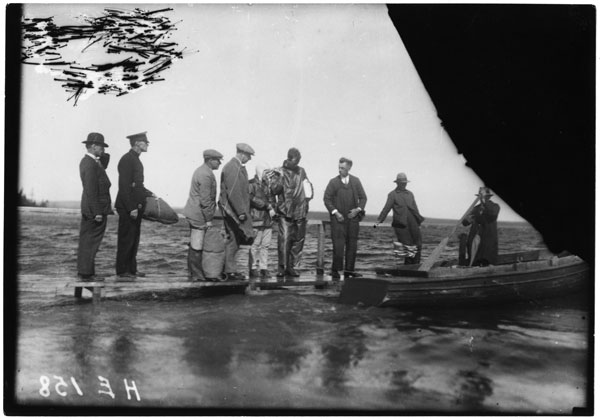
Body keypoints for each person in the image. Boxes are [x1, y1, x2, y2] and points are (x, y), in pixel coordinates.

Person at [115, 131, 155, 279]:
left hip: (135, 206)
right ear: (138, 144)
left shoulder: (135, 159)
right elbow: (124, 186)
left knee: (134, 237)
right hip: (128, 206)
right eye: (146, 142)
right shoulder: (127, 160)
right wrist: (131, 207)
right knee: (126, 238)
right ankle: (122, 271)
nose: (148, 144)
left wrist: (150, 194)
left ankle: (131, 269)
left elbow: (137, 186)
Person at [182, 149, 224, 281]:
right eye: (217, 160)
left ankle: (194, 273)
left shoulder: (202, 171)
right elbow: (205, 200)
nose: (219, 163)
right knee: (197, 245)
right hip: (198, 215)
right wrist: (208, 220)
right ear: (210, 160)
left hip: (195, 213)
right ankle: (197, 275)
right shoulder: (205, 175)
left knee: (196, 243)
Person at [323, 157, 367, 279]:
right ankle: (335, 271)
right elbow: (327, 199)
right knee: (338, 245)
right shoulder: (333, 182)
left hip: (352, 219)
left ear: (349, 168)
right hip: (338, 220)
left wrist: (357, 210)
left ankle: (349, 271)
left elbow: (363, 198)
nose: (340, 170)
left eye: (342, 168)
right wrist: (336, 212)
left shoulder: (356, 181)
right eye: (339, 167)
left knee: (352, 245)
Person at [77, 132, 113, 281]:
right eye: (101, 146)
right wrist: (97, 212)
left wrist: (101, 156)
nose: (103, 150)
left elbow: (105, 160)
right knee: (90, 242)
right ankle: (86, 273)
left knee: (88, 241)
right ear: (92, 146)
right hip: (95, 210)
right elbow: (91, 190)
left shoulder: (91, 162)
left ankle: (86, 272)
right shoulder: (90, 164)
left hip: (92, 208)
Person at [273, 147, 313, 278]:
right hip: (285, 211)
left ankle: (293, 267)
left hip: (300, 210)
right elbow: (274, 190)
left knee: (298, 240)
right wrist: (278, 179)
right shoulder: (280, 171)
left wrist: (308, 196)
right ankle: (282, 267)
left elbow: (307, 187)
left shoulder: (302, 171)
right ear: (290, 158)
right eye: (297, 159)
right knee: (284, 240)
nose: (298, 162)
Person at [218, 143, 255, 280]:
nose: (250, 159)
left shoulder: (236, 167)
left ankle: (230, 269)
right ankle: (229, 271)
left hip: (234, 210)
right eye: (249, 156)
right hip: (233, 211)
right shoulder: (232, 167)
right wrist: (240, 212)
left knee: (235, 240)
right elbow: (234, 192)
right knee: (233, 240)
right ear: (242, 154)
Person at [374, 172, 425, 264]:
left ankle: (416, 266)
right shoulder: (392, 194)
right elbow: (386, 208)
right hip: (400, 224)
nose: (404, 184)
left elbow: (415, 208)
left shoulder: (410, 194)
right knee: (407, 246)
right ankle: (408, 267)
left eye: (405, 183)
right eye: (402, 183)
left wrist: (418, 223)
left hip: (413, 222)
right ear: (397, 183)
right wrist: (378, 221)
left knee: (418, 245)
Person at [248, 163, 278, 280]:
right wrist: (268, 206)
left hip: (267, 220)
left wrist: (273, 208)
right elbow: (251, 199)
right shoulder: (251, 184)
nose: (268, 175)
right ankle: (253, 268)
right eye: (266, 172)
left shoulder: (269, 185)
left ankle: (264, 267)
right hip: (256, 218)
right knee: (255, 245)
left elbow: (273, 200)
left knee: (265, 245)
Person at [462, 186, 500, 266]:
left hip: (487, 237)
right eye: (480, 196)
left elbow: (492, 214)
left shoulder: (495, 206)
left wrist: (484, 202)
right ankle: (472, 266)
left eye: (483, 195)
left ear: (488, 197)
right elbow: (465, 223)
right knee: (473, 255)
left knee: (486, 256)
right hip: (475, 236)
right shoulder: (476, 209)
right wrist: (467, 219)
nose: (481, 198)